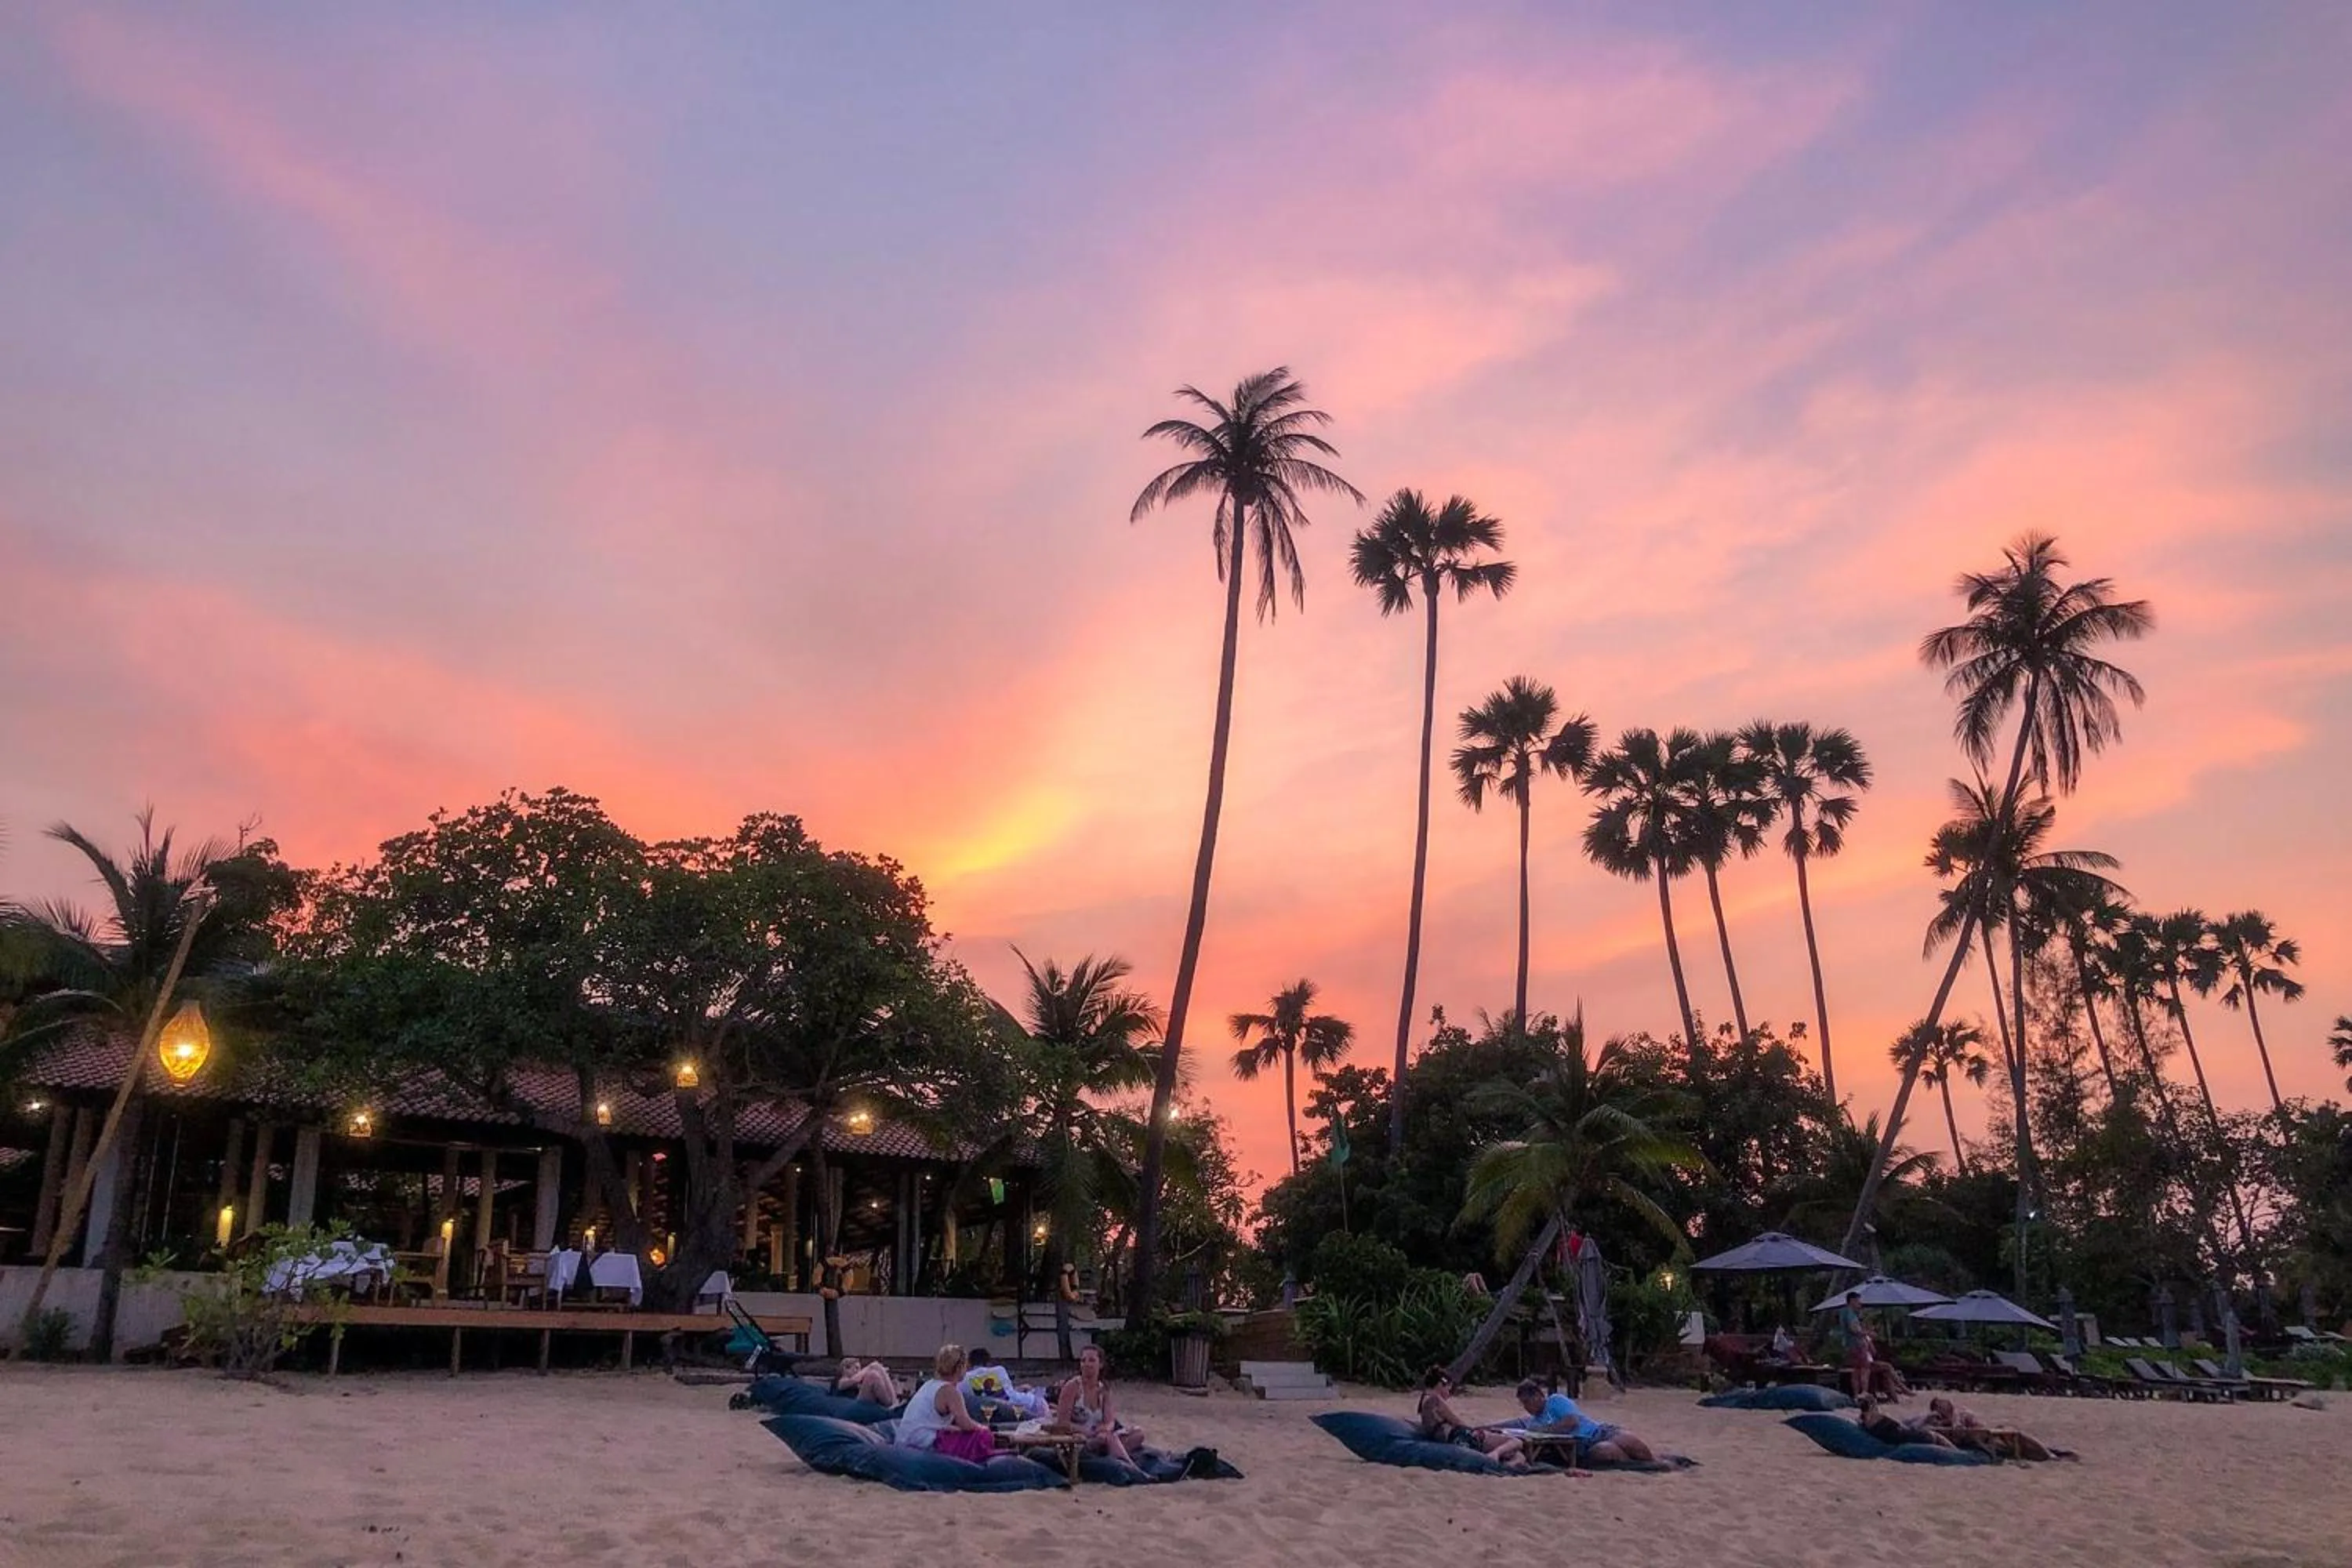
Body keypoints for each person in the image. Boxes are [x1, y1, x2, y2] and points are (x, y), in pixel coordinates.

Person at [1510, 1377, 1651, 1465]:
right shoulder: (1535, 1422)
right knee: (1607, 1452)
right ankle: (1644, 1466)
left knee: (1629, 1443)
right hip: (1584, 1447)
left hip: (1598, 1432)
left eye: (1527, 1402)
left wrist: (1545, 1430)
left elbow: (1572, 1422)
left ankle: (1654, 1462)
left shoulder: (1555, 1401)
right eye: (1524, 1404)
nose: (1527, 1407)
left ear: (1538, 1396)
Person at [894, 1344, 997, 1461]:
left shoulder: (930, 1384)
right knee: (982, 1436)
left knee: (958, 1432)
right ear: (959, 1367)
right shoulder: (950, 1391)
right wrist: (984, 1429)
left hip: (909, 1437)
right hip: (921, 1441)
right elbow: (965, 1423)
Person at [1414, 1367, 1527, 1468]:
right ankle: (1495, 1455)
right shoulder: (1435, 1400)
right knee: (1516, 1442)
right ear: (1440, 1384)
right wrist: (1478, 1430)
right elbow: (1457, 1422)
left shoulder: (1424, 1400)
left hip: (1455, 1437)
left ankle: (1505, 1464)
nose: (1448, 1394)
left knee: (1518, 1456)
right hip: (1462, 1438)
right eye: (1448, 1389)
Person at [1056, 1344, 1145, 1465]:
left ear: (1101, 1364)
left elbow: (1110, 1421)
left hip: (1100, 1437)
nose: (1086, 1364)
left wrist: (1104, 1429)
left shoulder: (1103, 1390)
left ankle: (1111, 1455)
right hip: (1079, 1439)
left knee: (1138, 1433)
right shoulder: (1072, 1387)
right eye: (1083, 1361)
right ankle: (1131, 1467)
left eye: (1092, 1360)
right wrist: (1090, 1432)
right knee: (1110, 1439)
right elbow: (1062, 1423)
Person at [1919, 1396, 2077, 1461]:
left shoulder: (1962, 1415)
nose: (1942, 1410)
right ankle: (2049, 1456)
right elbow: (1922, 1430)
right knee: (2016, 1442)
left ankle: (2050, 1454)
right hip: (1979, 1443)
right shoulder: (1935, 1422)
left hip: (1986, 1437)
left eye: (1944, 1406)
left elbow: (1978, 1427)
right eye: (1938, 1407)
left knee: (2013, 1435)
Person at [962, 1346, 1051, 1421]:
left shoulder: (965, 1379)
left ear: (969, 1364)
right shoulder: (999, 1370)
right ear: (988, 1362)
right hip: (1029, 1405)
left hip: (996, 1413)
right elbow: (1008, 1394)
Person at [833, 1356, 899, 1406]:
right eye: (856, 1368)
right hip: (852, 1406)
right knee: (872, 1375)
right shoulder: (840, 1381)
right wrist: (870, 1367)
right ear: (845, 1368)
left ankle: (893, 1401)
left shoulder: (856, 1384)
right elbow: (853, 1380)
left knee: (876, 1372)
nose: (858, 1371)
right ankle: (892, 1403)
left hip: (860, 1404)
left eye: (859, 1369)